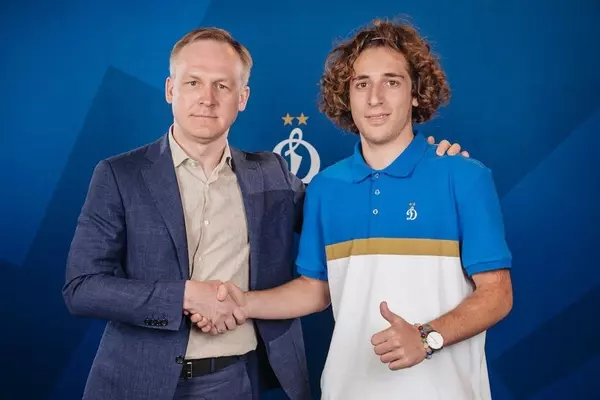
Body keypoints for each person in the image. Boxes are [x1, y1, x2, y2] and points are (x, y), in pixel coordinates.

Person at [63, 26, 466, 400]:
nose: (207, 98)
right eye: (193, 82)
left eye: (222, 85)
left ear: (242, 98)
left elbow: (352, 218)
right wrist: (185, 295)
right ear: (171, 89)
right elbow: (82, 287)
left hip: (233, 382)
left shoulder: (270, 173)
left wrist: (427, 170)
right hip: (136, 382)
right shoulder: (120, 175)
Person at [195, 19, 513, 400]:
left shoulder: (463, 177)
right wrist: (244, 304)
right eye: (362, 84)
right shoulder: (326, 188)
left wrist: (427, 337)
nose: (375, 98)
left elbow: (497, 293)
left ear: (415, 93)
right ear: (347, 96)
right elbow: (316, 290)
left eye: (391, 82)